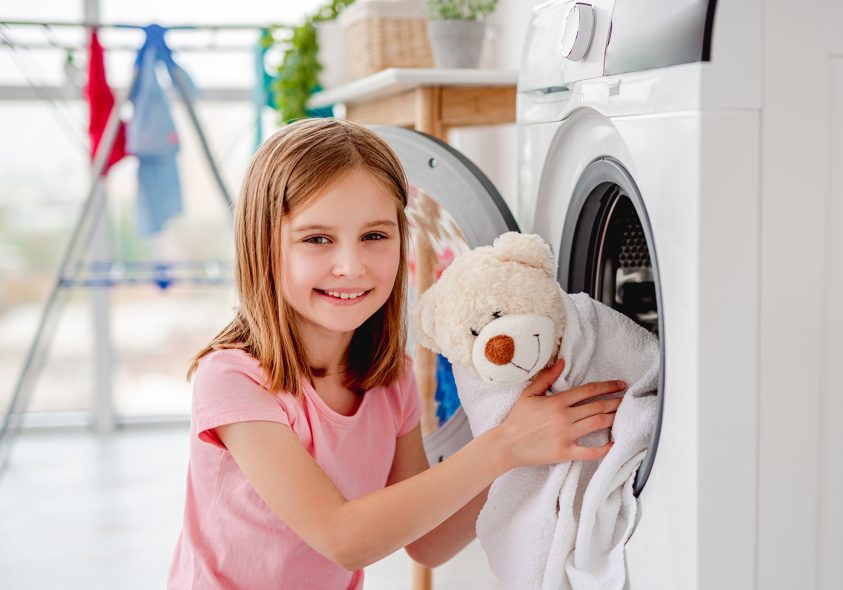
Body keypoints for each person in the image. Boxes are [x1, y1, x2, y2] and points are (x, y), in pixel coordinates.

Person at [167, 118, 626, 589]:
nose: (351, 266)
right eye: (317, 239)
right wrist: (502, 445)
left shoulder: (389, 378)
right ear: (262, 247)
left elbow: (429, 544)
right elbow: (343, 538)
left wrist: (523, 448)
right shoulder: (233, 379)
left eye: (375, 236)